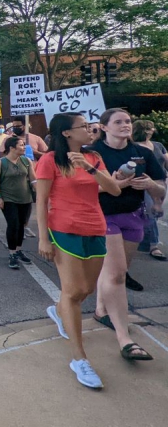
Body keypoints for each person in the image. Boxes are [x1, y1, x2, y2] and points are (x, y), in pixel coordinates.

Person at [35, 112, 124, 389]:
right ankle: (79, 358)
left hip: (95, 228)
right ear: (66, 133)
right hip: (63, 230)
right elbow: (41, 201)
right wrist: (43, 238)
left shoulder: (94, 157)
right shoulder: (49, 161)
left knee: (86, 290)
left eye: (90, 125)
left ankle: (59, 310)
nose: (90, 130)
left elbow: (114, 190)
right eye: (84, 126)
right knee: (74, 292)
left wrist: (89, 167)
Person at [91, 108, 164, 356]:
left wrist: (150, 185)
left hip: (134, 216)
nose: (125, 125)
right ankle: (124, 338)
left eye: (128, 121)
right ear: (104, 127)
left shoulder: (143, 152)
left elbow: (161, 189)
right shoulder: (92, 153)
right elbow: (79, 188)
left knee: (116, 270)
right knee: (117, 275)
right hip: (103, 216)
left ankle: (101, 309)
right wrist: (113, 185)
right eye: (119, 122)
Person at [0, 136, 36, 269]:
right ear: (12, 148)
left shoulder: (26, 161)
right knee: (13, 224)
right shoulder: (1, 162)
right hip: (8, 199)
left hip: (25, 198)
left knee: (21, 224)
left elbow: (33, 179)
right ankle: (12, 253)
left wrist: (40, 192)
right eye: (21, 145)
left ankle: (18, 250)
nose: (24, 147)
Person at [132, 119, 168, 261]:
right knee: (150, 212)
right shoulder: (133, 147)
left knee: (152, 213)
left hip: (159, 183)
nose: (151, 131)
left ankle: (146, 241)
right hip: (142, 182)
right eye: (149, 129)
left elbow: (166, 161)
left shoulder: (158, 145)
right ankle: (153, 245)